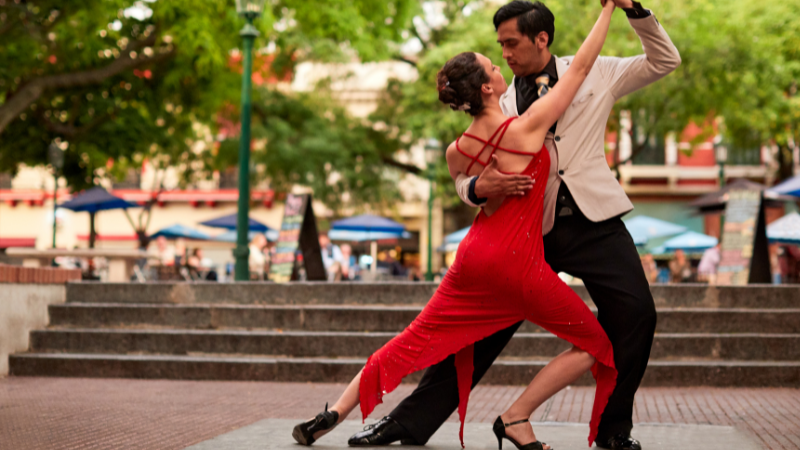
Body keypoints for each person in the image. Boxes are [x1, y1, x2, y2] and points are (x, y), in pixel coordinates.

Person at [354, 1, 680, 449]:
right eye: (499, 45)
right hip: (526, 232)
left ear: (540, 39)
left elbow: (665, 60)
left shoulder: (595, 70)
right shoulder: (497, 95)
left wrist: (633, 10)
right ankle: (407, 423)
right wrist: (474, 189)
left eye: (511, 42)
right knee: (478, 330)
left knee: (637, 315)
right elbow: (465, 177)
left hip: (595, 222)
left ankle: (612, 428)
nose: (504, 53)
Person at [293, 3, 619, 449]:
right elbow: (580, 68)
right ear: (488, 87)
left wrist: (479, 187)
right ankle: (517, 416)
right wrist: (608, 10)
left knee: (412, 340)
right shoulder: (526, 130)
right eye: (492, 64)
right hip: (516, 264)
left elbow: (469, 189)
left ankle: (333, 413)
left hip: (471, 259)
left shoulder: (456, 150)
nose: (499, 61)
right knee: (594, 345)